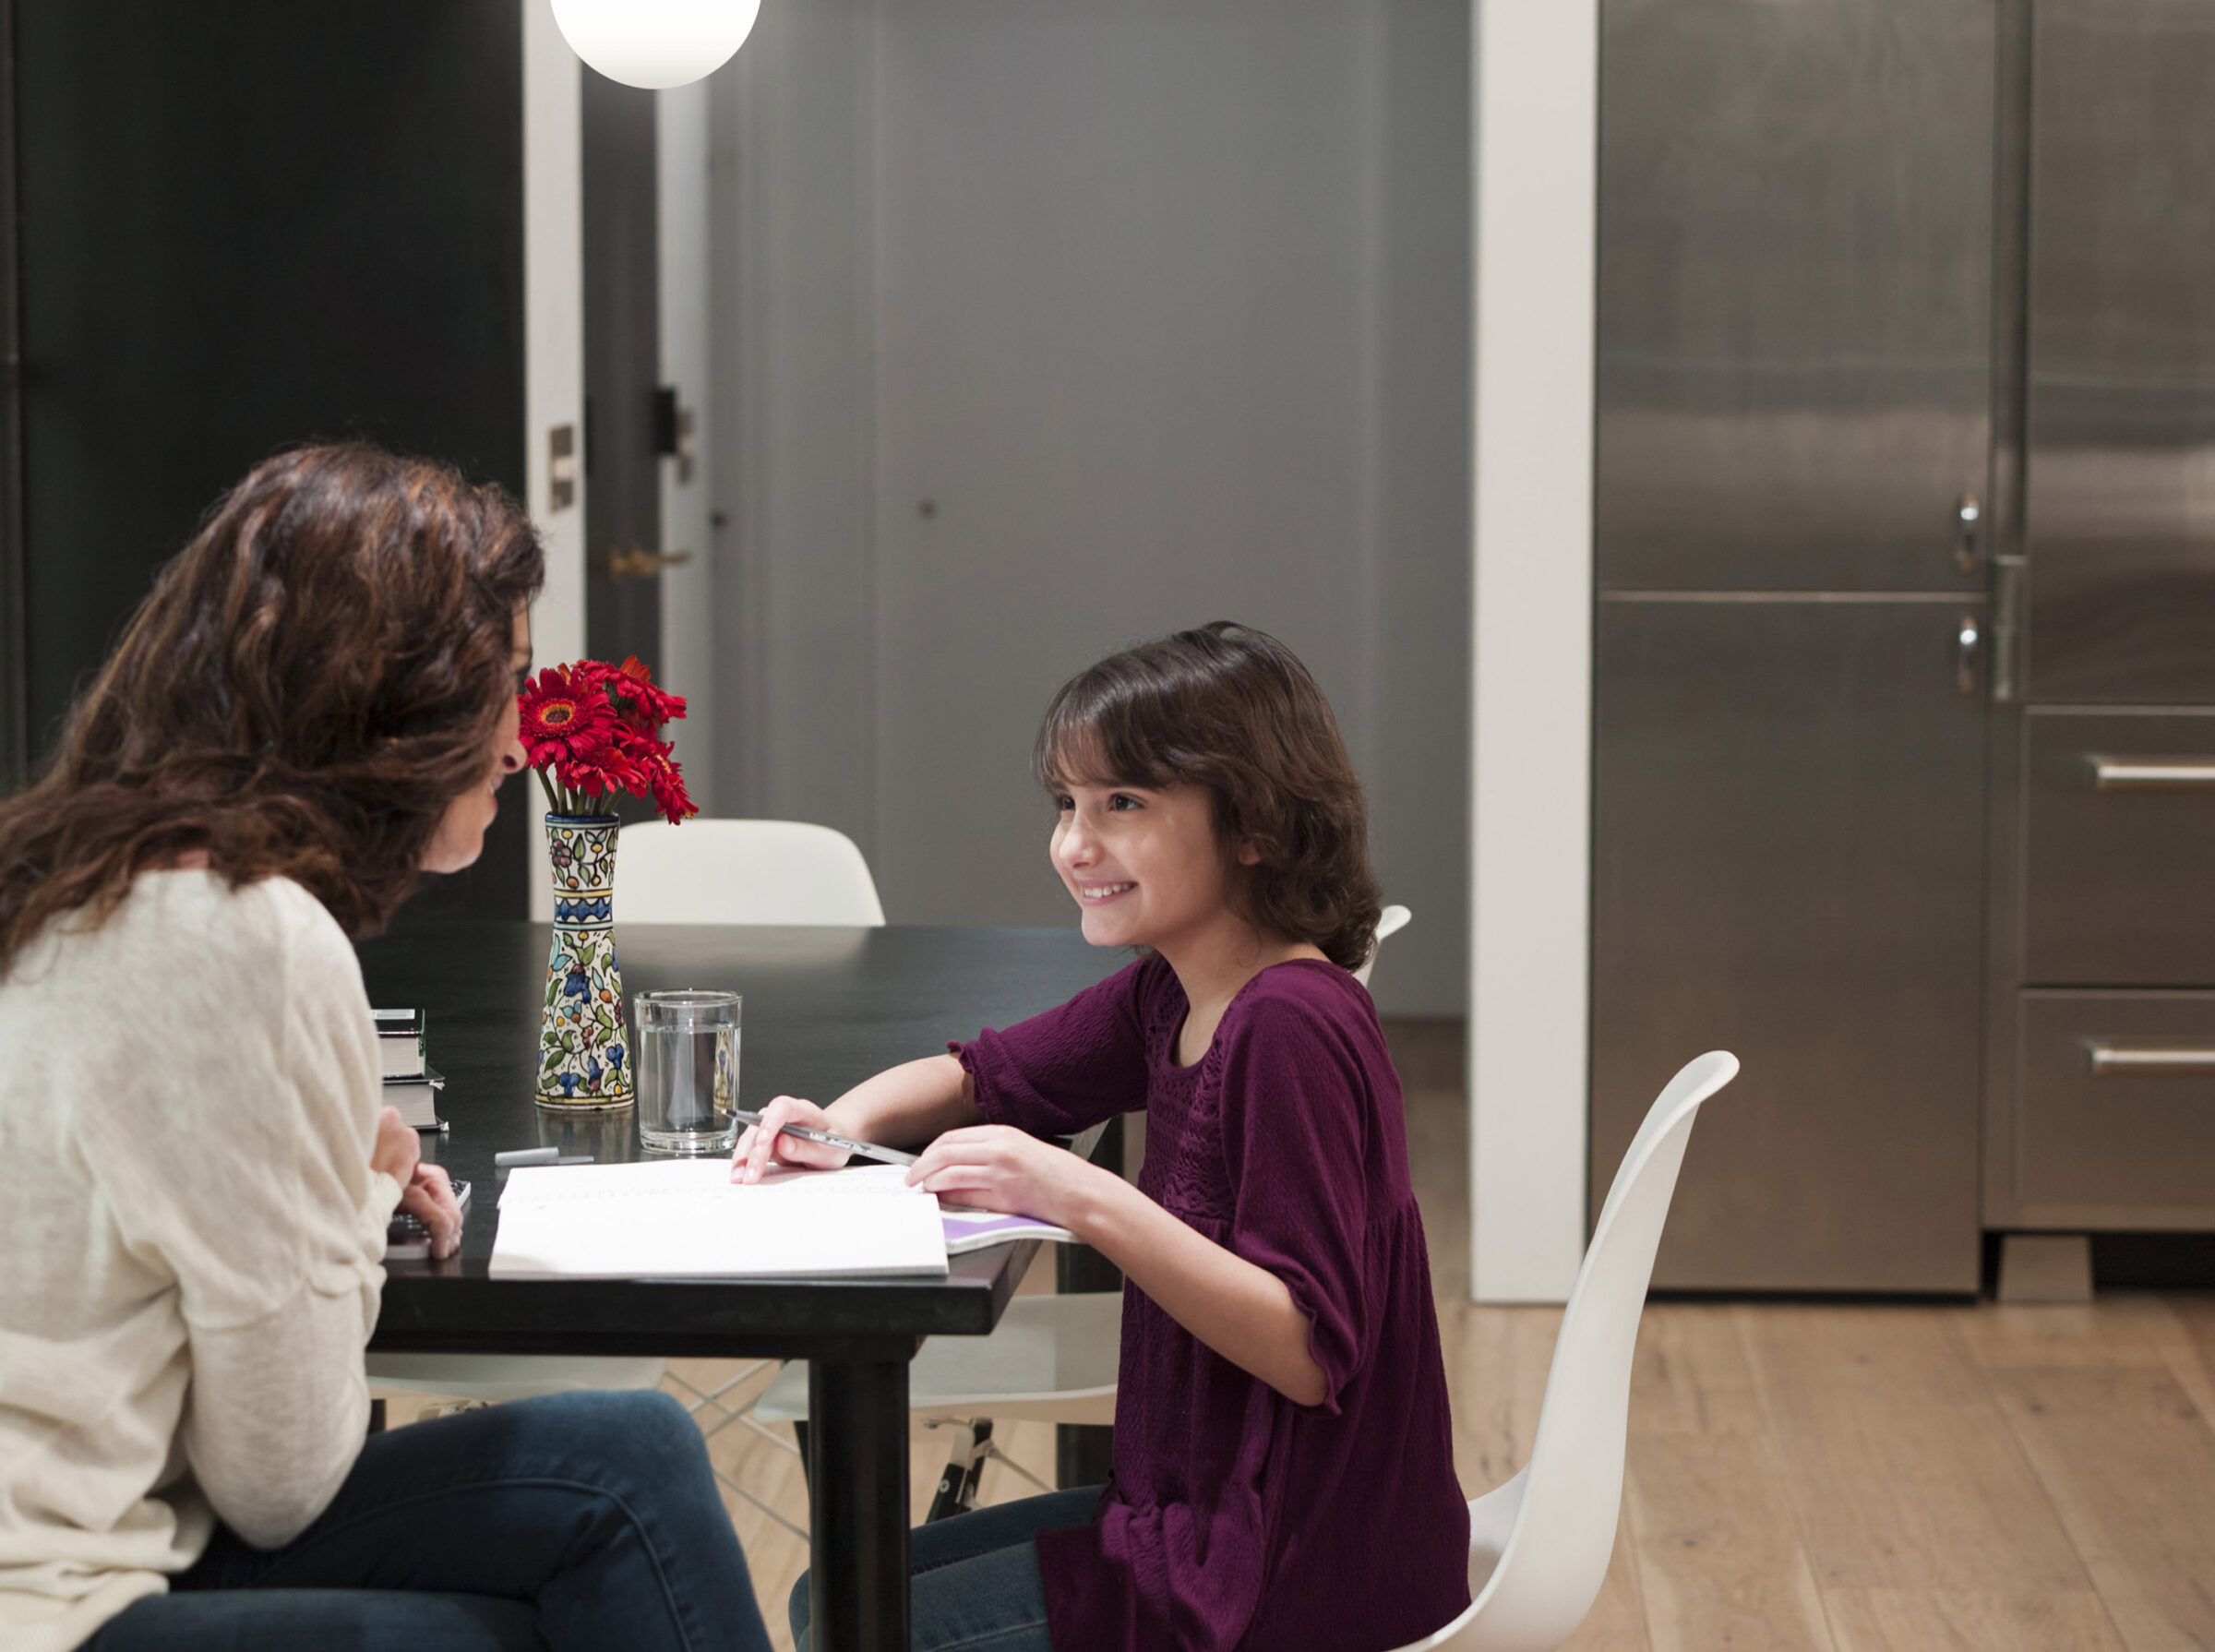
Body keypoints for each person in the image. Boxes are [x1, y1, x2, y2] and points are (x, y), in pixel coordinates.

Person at [0, 444, 772, 1652]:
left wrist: (337, 1180)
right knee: (553, 1583)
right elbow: (282, 1474)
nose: (522, 741)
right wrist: (355, 1190)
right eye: (504, 683)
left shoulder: (76, 876)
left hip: (114, 1524)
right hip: (53, 1596)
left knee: (632, 1451)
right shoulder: (249, 938)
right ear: (387, 695)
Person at [740, 622, 1470, 1652]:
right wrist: (842, 1120)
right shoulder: (1176, 991)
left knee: (857, 1621)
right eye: (1067, 805)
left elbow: (1311, 1350)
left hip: (1289, 1573)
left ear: (1254, 823)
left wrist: (1072, 1192)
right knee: (836, 1597)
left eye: (1121, 803)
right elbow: (985, 1073)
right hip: (1189, 1518)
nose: (1075, 844)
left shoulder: (1289, 1027)